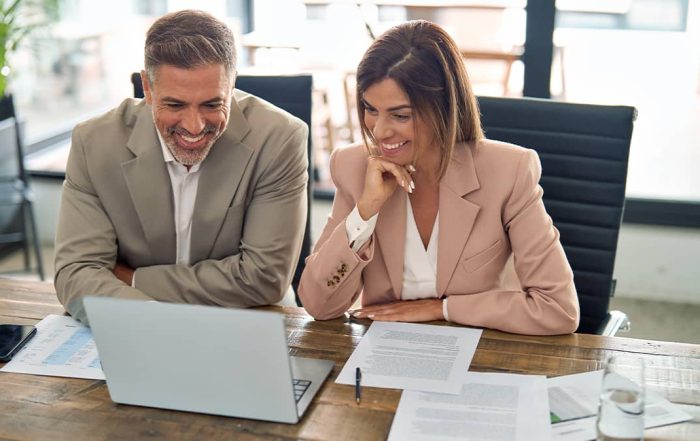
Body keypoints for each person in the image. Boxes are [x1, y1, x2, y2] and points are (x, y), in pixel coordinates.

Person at [298, 20, 579, 335]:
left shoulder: (508, 172)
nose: (378, 131)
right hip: (386, 355)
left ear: (444, 107)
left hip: (481, 352)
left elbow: (559, 309)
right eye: (370, 109)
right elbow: (318, 305)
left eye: (400, 115)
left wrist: (441, 309)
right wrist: (364, 212)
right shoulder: (354, 167)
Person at [54, 10, 308, 323]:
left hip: (254, 320)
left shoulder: (280, 138)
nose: (194, 125)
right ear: (147, 88)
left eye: (212, 104)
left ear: (232, 85)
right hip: (137, 322)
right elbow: (76, 273)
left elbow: (264, 279)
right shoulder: (94, 143)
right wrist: (160, 323)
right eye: (175, 105)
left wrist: (132, 279)